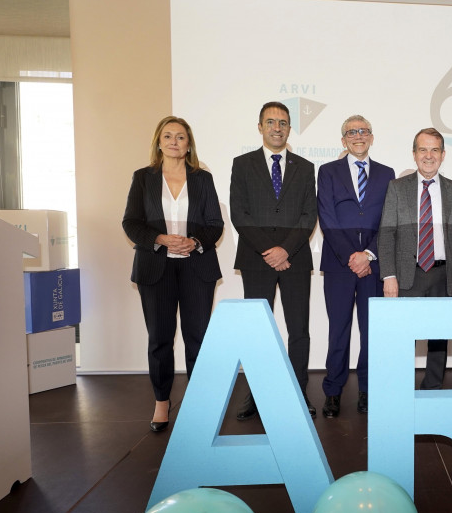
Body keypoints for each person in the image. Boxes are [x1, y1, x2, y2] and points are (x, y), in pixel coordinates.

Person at [122, 116, 223, 432]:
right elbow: (131, 222)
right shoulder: (143, 178)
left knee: (198, 338)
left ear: (188, 143)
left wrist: (194, 242)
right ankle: (161, 403)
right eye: (167, 136)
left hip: (196, 267)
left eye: (180, 136)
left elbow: (215, 225)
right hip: (156, 269)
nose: (174, 141)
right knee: (160, 339)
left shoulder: (203, 179)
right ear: (158, 141)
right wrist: (160, 239)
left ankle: (196, 404)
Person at [230, 101, 318, 419]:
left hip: (295, 259)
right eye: (270, 122)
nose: (277, 127)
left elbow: (309, 215)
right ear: (260, 127)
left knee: (299, 330)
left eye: (282, 122)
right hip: (257, 259)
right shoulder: (242, 165)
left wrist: (285, 250)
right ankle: (256, 396)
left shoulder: (305, 167)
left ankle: (298, 392)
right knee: (259, 331)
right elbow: (239, 213)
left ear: (289, 128)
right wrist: (270, 250)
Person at [379, 128, 452, 390]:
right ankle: (399, 391)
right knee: (402, 338)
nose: (428, 156)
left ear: (443, 155)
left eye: (434, 150)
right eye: (423, 150)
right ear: (414, 154)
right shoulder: (397, 188)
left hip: (444, 274)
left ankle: (432, 389)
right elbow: (386, 234)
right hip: (408, 274)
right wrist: (389, 275)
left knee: (439, 338)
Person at [316, 115, 395, 417]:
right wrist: (352, 255)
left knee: (371, 331)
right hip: (339, 263)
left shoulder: (387, 174)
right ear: (343, 140)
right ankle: (333, 392)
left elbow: (390, 221)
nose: (358, 136)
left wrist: (369, 255)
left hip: (373, 265)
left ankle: (367, 390)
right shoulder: (328, 171)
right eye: (352, 132)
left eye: (363, 131)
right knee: (339, 330)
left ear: (372, 137)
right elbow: (327, 216)